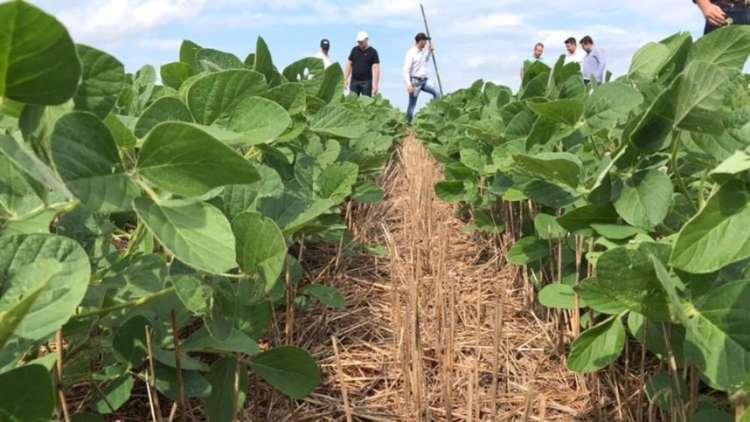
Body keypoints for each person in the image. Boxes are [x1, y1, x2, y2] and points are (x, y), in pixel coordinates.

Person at [403, 32, 441, 125]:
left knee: (437, 93)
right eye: (425, 41)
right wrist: (409, 85)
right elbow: (405, 71)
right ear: (420, 41)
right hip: (415, 82)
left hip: (425, 80)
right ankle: (408, 124)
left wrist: (429, 52)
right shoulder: (410, 53)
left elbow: (424, 61)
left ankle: (436, 116)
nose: (426, 43)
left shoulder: (422, 52)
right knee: (412, 104)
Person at [344, 31, 381, 97]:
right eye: (358, 42)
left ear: (366, 40)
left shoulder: (373, 52)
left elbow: (376, 69)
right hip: (354, 81)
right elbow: (349, 64)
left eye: (361, 42)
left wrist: (375, 85)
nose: (360, 43)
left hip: (367, 82)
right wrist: (345, 79)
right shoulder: (354, 50)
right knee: (352, 102)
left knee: (366, 104)